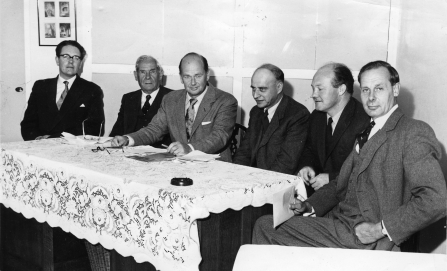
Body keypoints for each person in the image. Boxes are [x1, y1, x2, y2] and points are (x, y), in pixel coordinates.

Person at [252, 61, 447, 251]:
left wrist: (380, 229)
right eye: (365, 90)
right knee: (273, 220)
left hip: (363, 236)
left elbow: (436, 199)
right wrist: (308, 207)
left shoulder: (412, 131)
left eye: (379, 88)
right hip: (339, 222)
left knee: (265, 225)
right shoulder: (369, 129)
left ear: (395, 90)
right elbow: (341, 184)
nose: (370, 97)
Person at [111, 52, 237, 162]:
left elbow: (220, 136)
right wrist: (128, 139)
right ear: (181, 78)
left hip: (215, 167)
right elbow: (154, 129)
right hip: (178, 166)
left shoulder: (225, 100)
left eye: (198, 76)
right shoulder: (170, 99)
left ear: (207, 75)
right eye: (187, 76)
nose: (193, 83)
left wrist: (190, 148)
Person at [297, 63, 370, 194]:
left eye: (320, 89)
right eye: (313, 88)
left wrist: (331, 178)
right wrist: (307, 166)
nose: (313, 94)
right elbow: (308, 149)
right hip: (320, 196)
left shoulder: (364, 120)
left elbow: (366, 171)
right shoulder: (316, 116)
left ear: (341, 89)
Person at [233, 64, 309, 174]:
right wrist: (235, 174)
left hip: (277, 181)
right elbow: (245, 151)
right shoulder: (256, 112)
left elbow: (286, 163)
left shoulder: (298, 114)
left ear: (279, 87)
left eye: (262, 89)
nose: (255, 95)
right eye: (253, 89)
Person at [21, 40, 105, 141]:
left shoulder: (92, 90)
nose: (71, 61)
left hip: (72, 149)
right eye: (65, 56)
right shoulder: (41, 86)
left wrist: (54, 139)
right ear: (57, 60)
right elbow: (28, 123)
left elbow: (94, 128)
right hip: (39, 146)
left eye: (76, 58)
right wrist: (37, 139)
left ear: (80, 63)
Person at [109, 55, 173, 148]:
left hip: (160, 156)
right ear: (136, 75)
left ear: (160, 74)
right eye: (143, 72)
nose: (148, 77)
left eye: (152, 71)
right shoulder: (128, 98)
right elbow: (116, 132)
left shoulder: (173, 98)